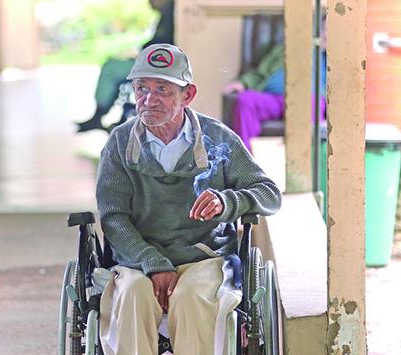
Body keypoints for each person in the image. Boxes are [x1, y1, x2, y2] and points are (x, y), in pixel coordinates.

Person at [95, 44, 282, 354]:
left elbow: (270, 195)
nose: (149, 100)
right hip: (138, 260)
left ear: (188, 95)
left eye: (162, 89)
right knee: (133, 295)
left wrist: (227, 202)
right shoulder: (120, 143)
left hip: (203, 257)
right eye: (141, 88)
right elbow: (113, 217)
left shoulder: (217, 138)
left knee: (193, 297)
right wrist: (151, 261)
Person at [223, 21, 327, 151]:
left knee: (310, 102)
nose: (327, 35)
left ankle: (309, 163)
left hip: (306, 98)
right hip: (273, 98)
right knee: (245, 100)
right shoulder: (283, 48)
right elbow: (260, 73)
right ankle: (246, 165)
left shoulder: (334, 55)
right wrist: (243, 83)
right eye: (325, 30)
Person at [76, 0, 175, 133]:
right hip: (154, 61)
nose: (148, 3)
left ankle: (98, 115)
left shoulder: (172, 14)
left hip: (157, 65)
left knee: (110, 68)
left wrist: (140, 54)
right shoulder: (169, 13)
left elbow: (160, 43)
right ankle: (100, 115)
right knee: (112, 63)